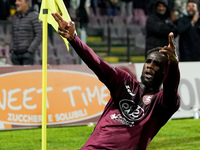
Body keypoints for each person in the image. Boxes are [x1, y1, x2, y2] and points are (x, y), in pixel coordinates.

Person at [51, 12, 181, 150]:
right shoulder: (125, 82)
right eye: (148, 61)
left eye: (157, 64)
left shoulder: (161, 102)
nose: (150, 66)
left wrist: (173, 64)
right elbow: (98, 64)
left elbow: (171, 88)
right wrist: (73, 39)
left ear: (165, 72)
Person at [10, 0, 42, 65]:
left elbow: (39, 35)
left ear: (27, 3)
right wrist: (12, 49)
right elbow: (13, 35)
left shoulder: (34, 16)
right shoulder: (15, 17)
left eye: (19, 1)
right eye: (16, 1)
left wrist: (30, 51)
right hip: (15, 55)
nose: (16, 3)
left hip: (28, 56)